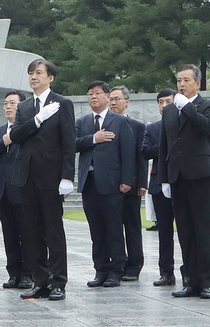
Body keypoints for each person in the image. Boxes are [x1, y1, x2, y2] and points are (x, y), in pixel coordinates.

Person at [11, 58, 75, 301]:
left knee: (53, 231)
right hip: (27, 176)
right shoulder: (25, 107)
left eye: (38, 72)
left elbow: (69, 142)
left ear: (50, 77)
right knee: (32, 231)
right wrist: (37, 119)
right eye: (30, 73)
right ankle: (40, 280)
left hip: (51, 177)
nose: (33, 77)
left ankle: (58, 281)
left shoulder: (62, 104)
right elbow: (16, 135)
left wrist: (67, 176)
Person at [159, 64, 210, 299]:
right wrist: (164, 178)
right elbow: (165, 144)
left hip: (201, 175)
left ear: (197, 83)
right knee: (184, 231)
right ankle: (189, 280)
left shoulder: (208, 105)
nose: (181, 84)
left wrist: (188, 108)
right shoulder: (170, 110)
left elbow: (207, 128)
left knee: (203, 230)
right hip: (177, 176)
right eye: (178, 80)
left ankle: (206, 282)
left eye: (186, 80)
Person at [76, 81, 135, 288]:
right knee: (96, 230)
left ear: (108, 97)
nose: (93, 97)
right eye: (90, 93)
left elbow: (128, 153)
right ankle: (100, 269)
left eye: (98, 93)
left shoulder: (119, 121)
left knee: (113, 228)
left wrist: (127, 180)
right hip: (89, 183)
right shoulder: (82, 122)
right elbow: (72, 144)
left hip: (112, 184)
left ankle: (116, 270)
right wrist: (94, 138)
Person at [0, 90, 32, 289]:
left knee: (27, 234)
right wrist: (4, 141)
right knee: (9, 234)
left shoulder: (28, 129)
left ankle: (28, 273)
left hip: (22, 189)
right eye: (5, 103)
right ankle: (13, 273)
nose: (8, 107)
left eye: (12, 103)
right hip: (2, 191)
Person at [108, 85, 146, 281]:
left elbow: (140, 157)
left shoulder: (137, 126)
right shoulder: (104, 125)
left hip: (130, 186)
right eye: (111, 99)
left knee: (132, 226)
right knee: (112, 228)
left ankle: (134, 264)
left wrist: (141, 183)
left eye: (117, 99)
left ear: (126, 102)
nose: (113, 103)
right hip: (108, 186)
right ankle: (117, 263)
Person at [141, 88, 177, 286]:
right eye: (161, 102)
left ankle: (190, 271)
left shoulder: (184, 126)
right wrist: (166, 143)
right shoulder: (153, 128)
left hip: (182, 182)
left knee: (190, 230)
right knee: (164, 232)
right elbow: (145, 151)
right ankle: (166, 271)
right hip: (159, 182)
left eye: (168, 101)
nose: (164, 106)